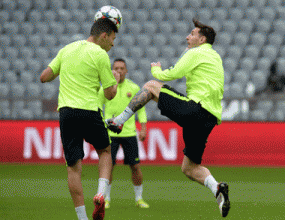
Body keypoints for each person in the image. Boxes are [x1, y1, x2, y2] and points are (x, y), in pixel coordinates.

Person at [105, 18, 231, 217]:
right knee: (189, 168)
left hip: (196, 109)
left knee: (151, 85)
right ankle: (218, 189)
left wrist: (156, 68)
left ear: (202, 39)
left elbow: (172, 74)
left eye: (192, 34)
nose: (187, 37)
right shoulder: (215, 57)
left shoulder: (197, 52)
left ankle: (118, 121)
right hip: (209, 119)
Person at [40, 18, 120, 220]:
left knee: (73, 168)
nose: (113, 43)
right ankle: (101, 193)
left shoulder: (66, 49)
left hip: (66, 113)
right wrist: (115, 82)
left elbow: (44, 76)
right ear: (103, 35)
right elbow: (110, 94)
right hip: (89, 111)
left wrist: (60, 72)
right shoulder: (100, 54)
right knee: (105, 151)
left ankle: (82, 218)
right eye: (112, 38)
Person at [98, 58, 150, 209]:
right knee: (109, 166)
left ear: (126, 71)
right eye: (116, 68)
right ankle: (106, 198)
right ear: (112, 71)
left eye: (122, 68)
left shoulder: (133, 87)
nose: (119, 71)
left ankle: (139, 198)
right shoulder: (106, 88)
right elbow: (97, 104)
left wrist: (144, 127)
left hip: (128, 133)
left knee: (135, 166)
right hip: (110, 134)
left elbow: (141, 108)